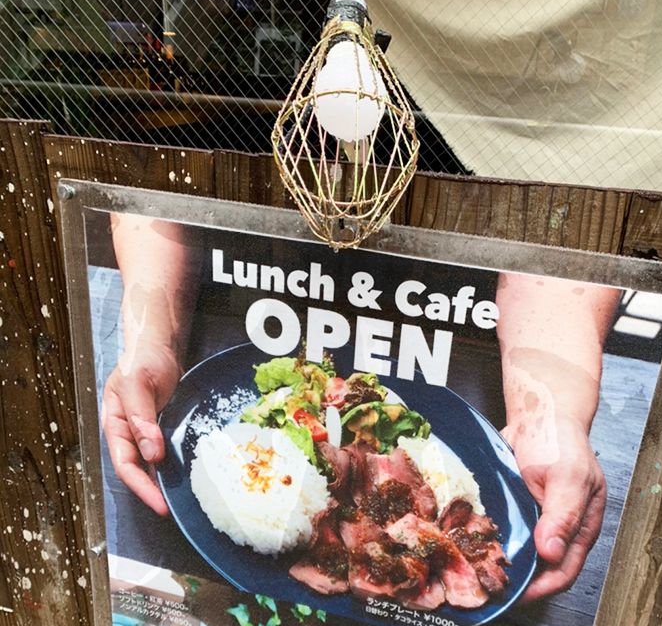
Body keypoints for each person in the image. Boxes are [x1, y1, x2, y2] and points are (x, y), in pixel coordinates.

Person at [103, 215, 620, 600]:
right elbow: (157, 183)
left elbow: (566, 221)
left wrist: (549, 412)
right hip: (219, 345)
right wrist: (152, 337)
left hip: (470, 355)